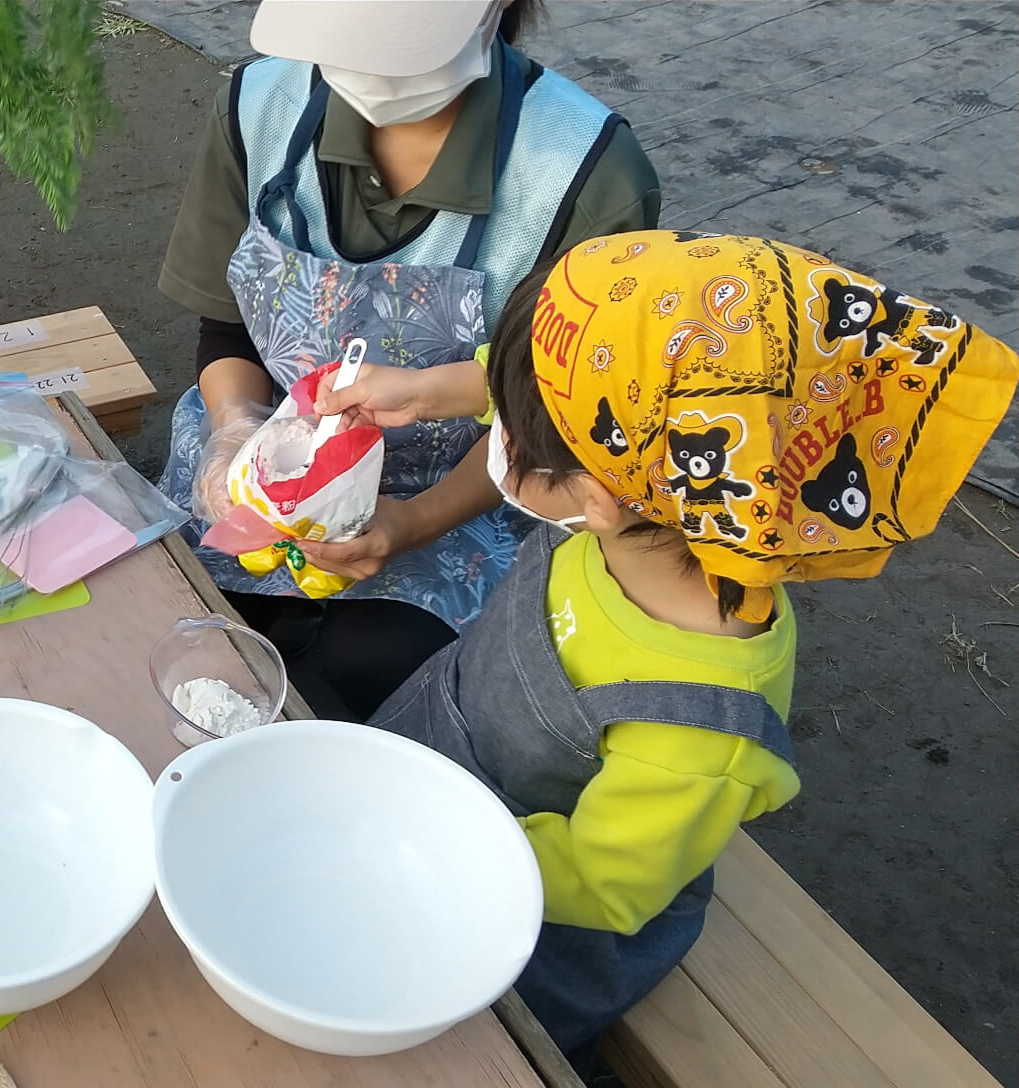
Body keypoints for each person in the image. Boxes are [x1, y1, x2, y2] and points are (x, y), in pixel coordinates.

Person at [369, 232, 1019, 1066]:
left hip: (527, 913)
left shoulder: (699, 723)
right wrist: (429, 388)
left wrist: (416, 840)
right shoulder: (668, 484)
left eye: (515, 440)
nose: (502, 443)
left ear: (595, 496)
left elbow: (605, 882)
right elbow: (562, 386)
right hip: (447, 758)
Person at [155, 0, 662, 719]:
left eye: (397, 42)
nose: (364, 69)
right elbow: (227, 327)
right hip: (262, 464)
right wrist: (234, 433)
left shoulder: (584, 175)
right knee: (187, 619)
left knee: (384, 669)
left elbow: (556, 414)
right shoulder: (259, 106)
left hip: (470, 487)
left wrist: (413, 520)